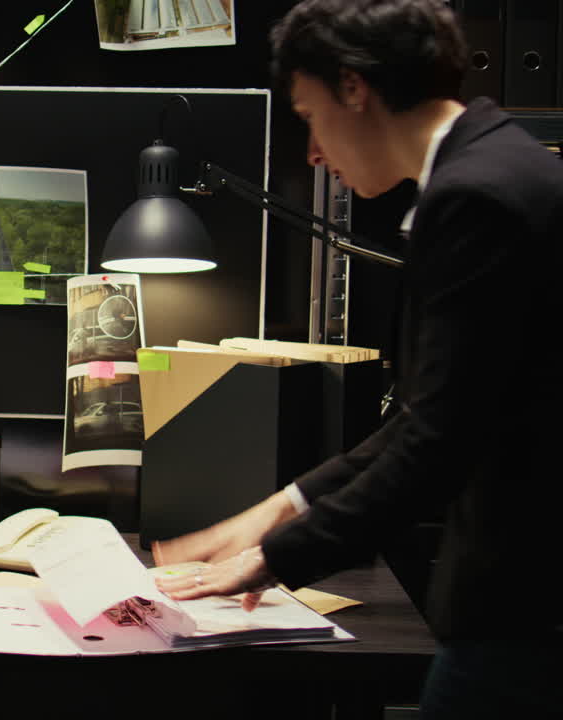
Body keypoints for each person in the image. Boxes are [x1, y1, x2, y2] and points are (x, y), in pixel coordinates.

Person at [151, 1, 563, 717]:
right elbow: (430, 414)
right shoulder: (497, 167)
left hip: (526, 605)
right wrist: (283, 506)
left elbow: (438, 440)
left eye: (308, 116)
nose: (312, 152)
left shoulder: (477, 198)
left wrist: (276, 556)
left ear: (352, 87)